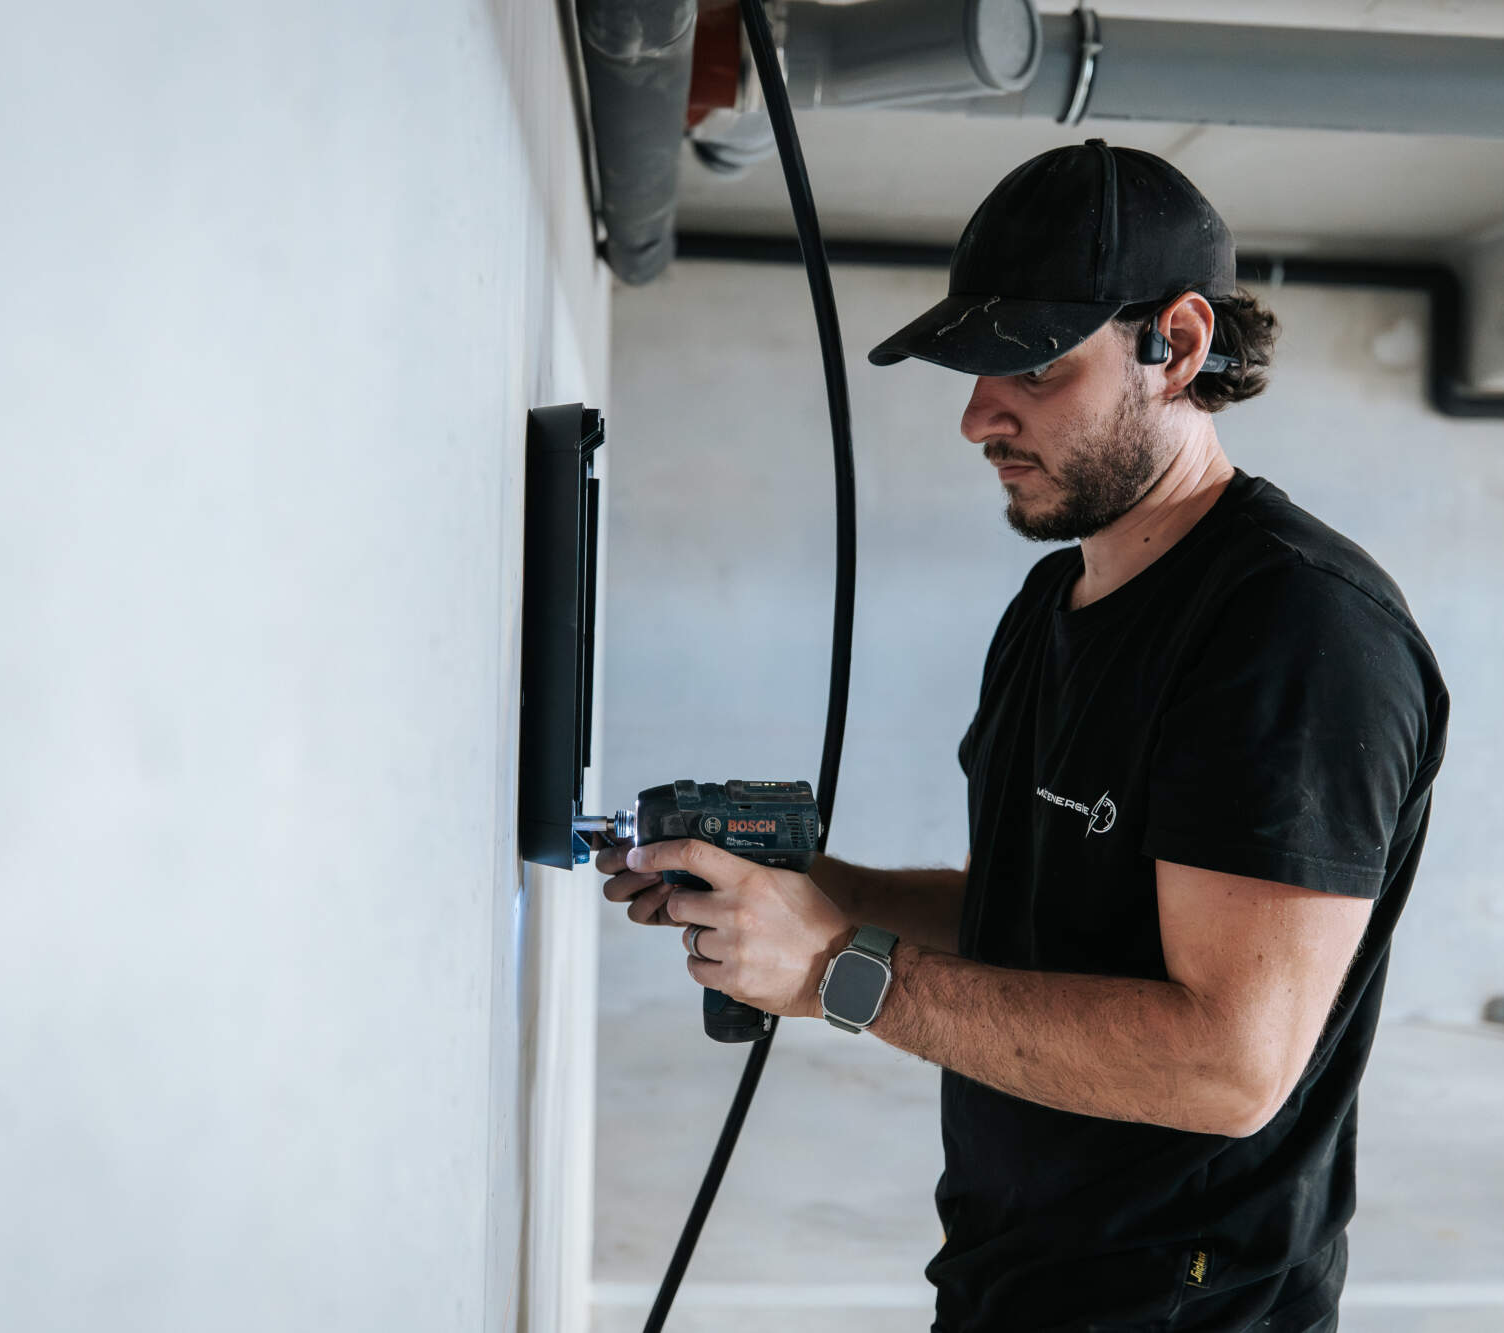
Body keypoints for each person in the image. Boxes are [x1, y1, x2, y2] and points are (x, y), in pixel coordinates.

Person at [595, 140, 1449, 1333]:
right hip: (1011, 1278)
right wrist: (789, 890)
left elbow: (1227, 1062)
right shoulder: (1050, 608)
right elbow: (1032, 913)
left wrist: (840, 974)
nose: (974, 418)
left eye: (1033, 369)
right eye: (971, 371)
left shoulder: (1293, 629)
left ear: (1177, 346)